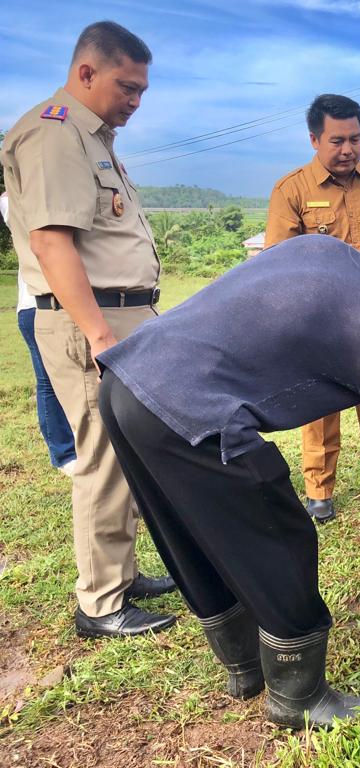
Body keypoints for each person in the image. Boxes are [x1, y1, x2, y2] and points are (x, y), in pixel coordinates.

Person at [96, 233, 360, 729]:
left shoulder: (328, 250)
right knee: (282, 536)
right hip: (193, 407)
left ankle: (245, 670)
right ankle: (299, 697)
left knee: (195, 537)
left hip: (123, 383)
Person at [0, 21, 176, 639]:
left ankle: (121, 574)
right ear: (86, 73)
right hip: (92, 322)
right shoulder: (54, 134)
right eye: (127, 87)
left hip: (122, 314)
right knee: (102, 455)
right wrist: (100, 336)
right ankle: (100, 601)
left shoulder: (90, 136)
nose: (135, 101)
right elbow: (52, 242)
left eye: (141, 91)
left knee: (126, 452)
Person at [265, 94, 360, 524]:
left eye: (355, 138)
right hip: (319, 321)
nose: (348, 149)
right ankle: (319, 488)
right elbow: (280, 262)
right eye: (336, 140)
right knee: (319, 406)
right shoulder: (291, 190)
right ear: (314, 139)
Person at [1, 191, 77, 475]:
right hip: (36, 303)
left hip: (59, 303)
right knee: (47, 380)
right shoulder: (13, 200)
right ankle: (64, 452)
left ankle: (74, 446)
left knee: (68, 379)